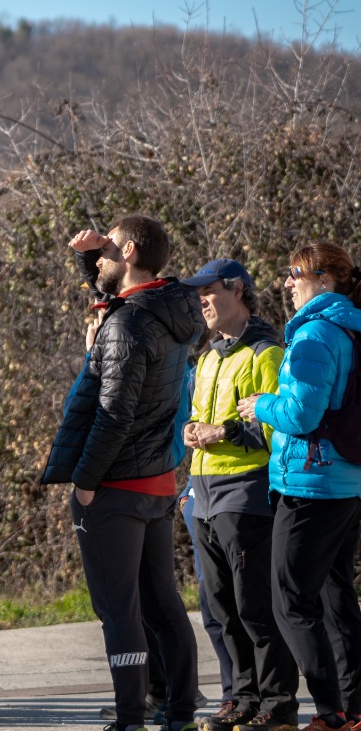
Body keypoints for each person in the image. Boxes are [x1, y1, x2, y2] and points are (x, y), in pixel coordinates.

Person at [41, 216, 203, 731]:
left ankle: (131, 717)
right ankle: (179, 711)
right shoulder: (169, 308)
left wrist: (86, 482)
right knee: (162, 604)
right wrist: (90, 259)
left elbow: (114, 414)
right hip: (157, 480)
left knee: (120, 611)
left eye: (109, 245)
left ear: (130, 251)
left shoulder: (127, 325)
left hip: (116, 488)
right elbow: (117, 294)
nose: (102, 251)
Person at [236, 242, 361, 731]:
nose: (287, 283)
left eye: (295, 273)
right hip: (347, 483)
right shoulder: (351, 328)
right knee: (336, 601)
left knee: (289, 603)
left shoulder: (313, 336)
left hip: (310, 485)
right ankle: (352, 709)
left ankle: (330, 712)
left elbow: (300, 414)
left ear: (324, 280)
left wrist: (261, 405)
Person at [177, 260, 297, 731]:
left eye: (208, 291)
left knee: (255, 608)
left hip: (245, 493)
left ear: (238, 291)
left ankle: (279, 706)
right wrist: (191, 430)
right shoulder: (207, 357)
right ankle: (241, 698)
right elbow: (196, 416)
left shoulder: (265, 352)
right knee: (223, 609)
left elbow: (272, 428)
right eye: (197, 293)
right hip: (203, 495)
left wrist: (219, 431)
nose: (200, 300)